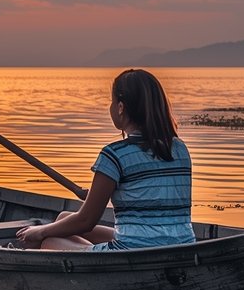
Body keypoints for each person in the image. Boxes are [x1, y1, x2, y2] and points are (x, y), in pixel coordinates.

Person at [14, 68, 194, 252]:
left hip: (135, 252)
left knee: (49, 242)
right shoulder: (179, 148)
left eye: (112, 101)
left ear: (121, 108)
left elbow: (86, 221)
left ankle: (97, 260)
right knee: (63, 219)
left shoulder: (114, 154)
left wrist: (40, 231)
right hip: (182, 247)